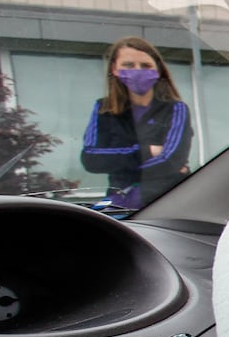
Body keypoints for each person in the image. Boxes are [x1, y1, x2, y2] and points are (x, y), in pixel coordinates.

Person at [79, 37, 191, 210]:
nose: (138, 71)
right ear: (114, 69)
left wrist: (121, 164)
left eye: (146, 66)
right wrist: (147, 151)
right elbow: (91, 158)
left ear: (158, 69)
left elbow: (172, 159)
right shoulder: (103, 109)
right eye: (129, 65)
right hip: (118, 204)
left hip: (167, 201)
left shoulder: (176, 109)